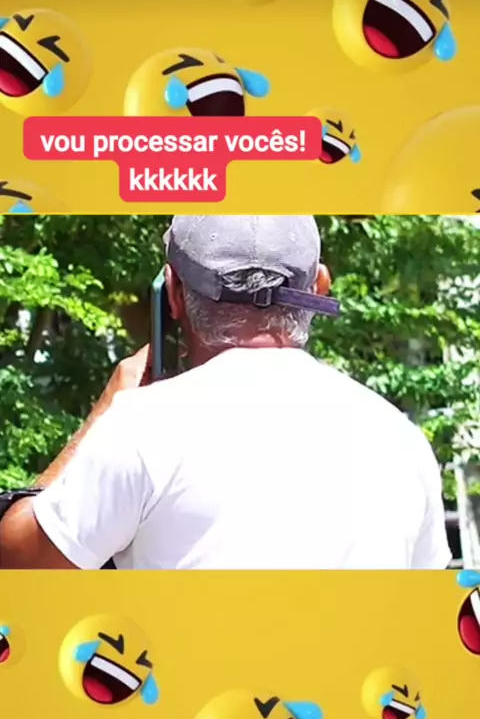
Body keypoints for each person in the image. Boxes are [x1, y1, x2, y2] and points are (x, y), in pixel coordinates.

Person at [0, 215, 450, 570]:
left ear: (173, 294)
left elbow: (17, 568)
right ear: (319, 287)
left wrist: (101, 415)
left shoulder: (140, 428)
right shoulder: (401, 440)